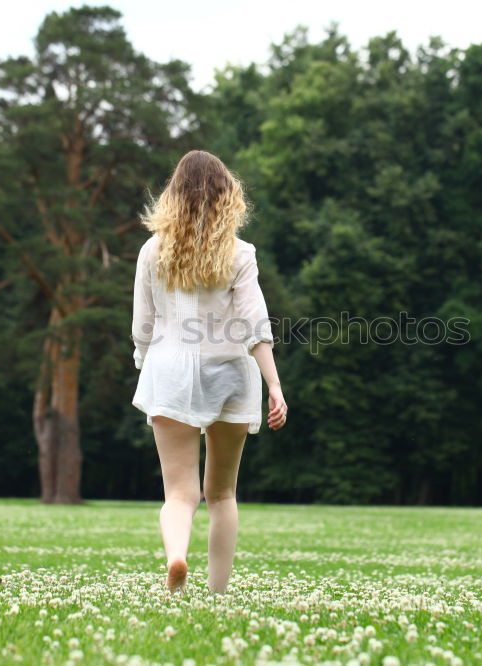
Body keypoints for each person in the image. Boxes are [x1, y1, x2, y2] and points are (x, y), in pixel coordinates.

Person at [130, 150, 287, 595]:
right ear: (228, 196)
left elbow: (143, 325)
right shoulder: (240, 253)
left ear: (172, 195)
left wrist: (146, 364)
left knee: (179, 494)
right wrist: (274, 385)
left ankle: (177, 555)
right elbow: (255, 324)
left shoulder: (152, 251)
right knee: (222, 494)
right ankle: (217, 593)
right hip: (232, 371)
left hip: (170, 368)